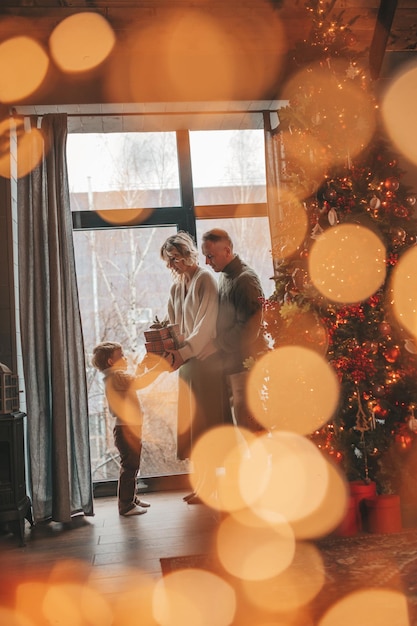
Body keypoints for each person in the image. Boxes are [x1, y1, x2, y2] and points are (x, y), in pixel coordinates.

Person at [160, 231, 230, 504]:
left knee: (207, 428)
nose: (172, 265)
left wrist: (184, 351)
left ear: (188, 254)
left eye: (175, 259)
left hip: (206, 364)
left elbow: (206, 326)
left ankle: (210, 486)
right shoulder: (176, 287)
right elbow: (172, 324)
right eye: (168, 261)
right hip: (186, 365)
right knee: (193, 429)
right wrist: (164, 345)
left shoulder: (205, 280)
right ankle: (202, 484)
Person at [201, 228, 269, 430]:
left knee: (248, 418)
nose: (207, 262)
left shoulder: (245, 280)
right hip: (233, 360)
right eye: (205, 256)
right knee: (241, 418)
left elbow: (248, 329)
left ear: (227, 251)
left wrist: (217, 344)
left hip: (246, 362)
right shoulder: (225, 275)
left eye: (210, 256)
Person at [92, 342, 162, 516]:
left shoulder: (115, 376)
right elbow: (140, 382)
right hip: (127, 430)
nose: (124, 358)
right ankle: (126, 505)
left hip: (126, 430)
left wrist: (142, 366)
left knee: (132, 466)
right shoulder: (116, 376)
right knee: (130, 467)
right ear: (111, 361)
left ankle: (131, 498)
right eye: (121, 356)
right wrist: (160, 367)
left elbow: (133, 380)